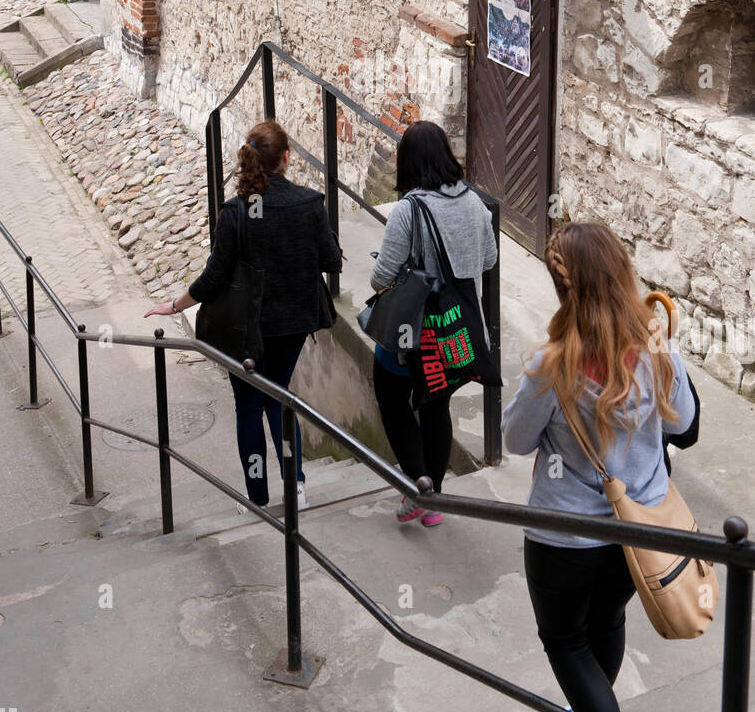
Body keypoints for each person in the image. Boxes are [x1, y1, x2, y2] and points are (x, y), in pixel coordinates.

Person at [501, 222, 696, 712]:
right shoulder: (657, 348)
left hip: (565, 537)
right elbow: (688, 423)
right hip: (638, 531)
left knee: (566, 642)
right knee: (608, 619)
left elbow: (515, 441)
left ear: (562, 286)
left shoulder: (552, 364)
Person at [145, 118, 342, 511]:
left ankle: (256, 496)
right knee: (280, 398)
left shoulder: (235, 212)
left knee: (250, 406)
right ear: (286, 158)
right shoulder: (309, 204)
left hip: (246, 329)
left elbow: (214, 278)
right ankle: (296, 485)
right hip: (294, 324)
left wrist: (176, 304)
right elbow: (331, 261)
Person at [370, 120, 497, 527]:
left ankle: (419, 484)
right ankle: (434, 497)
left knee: (392, 400)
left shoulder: (410, 210)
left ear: (407, 162)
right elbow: (489, 259)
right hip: (455, 330)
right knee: (436, 402)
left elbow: (380, 278)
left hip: (414, 332)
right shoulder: (475, 203)